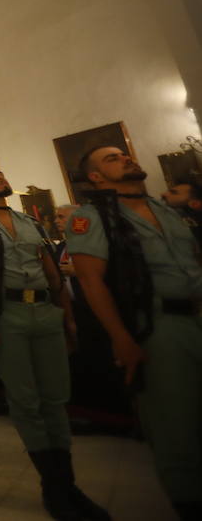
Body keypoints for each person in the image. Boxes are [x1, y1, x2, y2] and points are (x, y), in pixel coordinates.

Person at [0, 164, 108, 521]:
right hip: (9, 314)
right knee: (26, 400)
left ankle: (67, 483)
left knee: (55, 397)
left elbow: (51, 270)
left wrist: (65, 314)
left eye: (0, 173)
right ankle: (53, 486)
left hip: (44, 310)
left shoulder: (30, 223)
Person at [67, 145, 202, 518]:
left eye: (124, 154)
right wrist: (122, 339)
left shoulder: (167, 210)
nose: (125, 158)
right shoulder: (92, 217)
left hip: (196, 314)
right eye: (112, 158)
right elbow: (92, 282)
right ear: (95, 177)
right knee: (176, 425)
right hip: (158, 324)